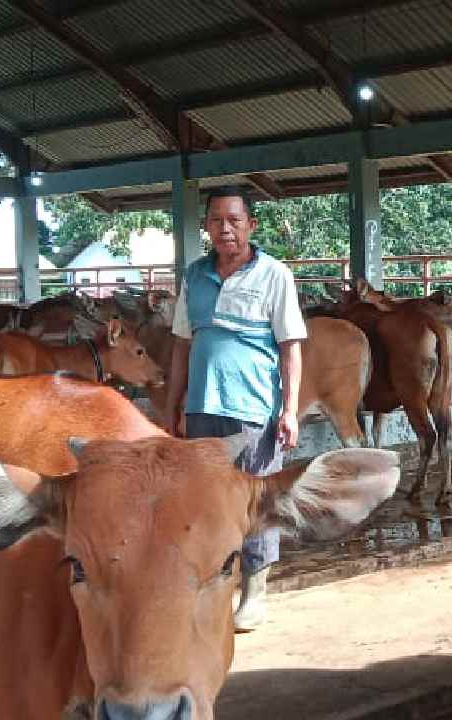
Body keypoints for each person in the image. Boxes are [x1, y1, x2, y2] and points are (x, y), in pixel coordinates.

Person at [166, 186, 307, 632]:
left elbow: (290, 348)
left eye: (234, 220)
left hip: (253, 409)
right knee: (207, 499)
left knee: (256, 498)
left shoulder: (274, 275)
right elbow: (182, 346)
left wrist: (289, 410)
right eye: (216, 221)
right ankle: (215, 589)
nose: (225, 228)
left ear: (251, 224)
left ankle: (256, 592)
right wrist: (174, 405)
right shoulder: (194, 276)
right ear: (205, 226)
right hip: (202, 406)